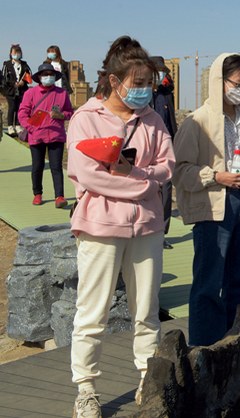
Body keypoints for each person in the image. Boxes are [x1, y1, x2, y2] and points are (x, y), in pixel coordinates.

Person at [67, 37, 175, 417]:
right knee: (91, 312)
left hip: (146, 227)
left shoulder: (154, 119)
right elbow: (91, 177)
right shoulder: (86, 118)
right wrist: (145, 185)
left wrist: (141, 175)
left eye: (150, 81)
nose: (145, 88)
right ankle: (86, 389)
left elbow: (168, 165)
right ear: (115, 81)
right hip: (100, 226)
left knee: (146, 310)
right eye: (138, 81)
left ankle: (149, 377)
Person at [173, 53, 240, 347]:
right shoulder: (196, 121)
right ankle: (205, 350)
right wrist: (216, 176)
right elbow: (180, 171)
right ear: (220, 82)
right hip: (213, 206)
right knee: (209, 284)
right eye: (238, 83)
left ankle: (237, 345)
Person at [19, 62, 74, 207]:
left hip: (56, 135)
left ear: (55, 76)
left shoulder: (62, 93)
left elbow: (70, 112)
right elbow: (22, 113)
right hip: (36, 135)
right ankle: (37, 193)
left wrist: (62, 115)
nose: (48, 77)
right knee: (37, 166)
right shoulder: (30, 93)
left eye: (51, 74)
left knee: (56, 166)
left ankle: (59, 196)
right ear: (39, 77)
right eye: (45, 74)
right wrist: (31, 128)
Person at [150, 57, 178, 249]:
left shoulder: (167, 94)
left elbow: (172, 121)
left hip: (165, 146)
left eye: (163, 71)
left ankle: (162, 233)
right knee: (149, 190)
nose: (161, 74)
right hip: (146, 149)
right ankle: (148, 232)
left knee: (167, 191)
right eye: (157, 71)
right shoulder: (142, 93)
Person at [2, 45, 31, 136]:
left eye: (18, 53)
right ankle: (10, 125)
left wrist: (23, 81)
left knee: (19, 107)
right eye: (15, 53)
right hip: (11, 90)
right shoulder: (7, 64)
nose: (16, 55)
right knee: (12, 107)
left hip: (22, 90)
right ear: (11, 54)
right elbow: (4, 77)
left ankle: (18, 125)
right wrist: (12, 83)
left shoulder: (24, 64)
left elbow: (29, 75)